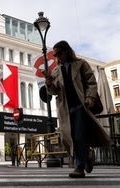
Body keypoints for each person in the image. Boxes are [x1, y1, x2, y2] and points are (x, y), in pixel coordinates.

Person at [43, 40, 112, 178]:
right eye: (55, 55)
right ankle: (87, 154)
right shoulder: (56, 70)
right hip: (65, 110)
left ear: (67, 51)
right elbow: (54, 91)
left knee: (79, 136)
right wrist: (49, 81)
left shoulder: (80, 64)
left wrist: (90, 98)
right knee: (68, 138)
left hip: (81, 106)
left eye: (59, 53)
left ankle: (79, 167)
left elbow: (91, 82)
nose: (57, 57)